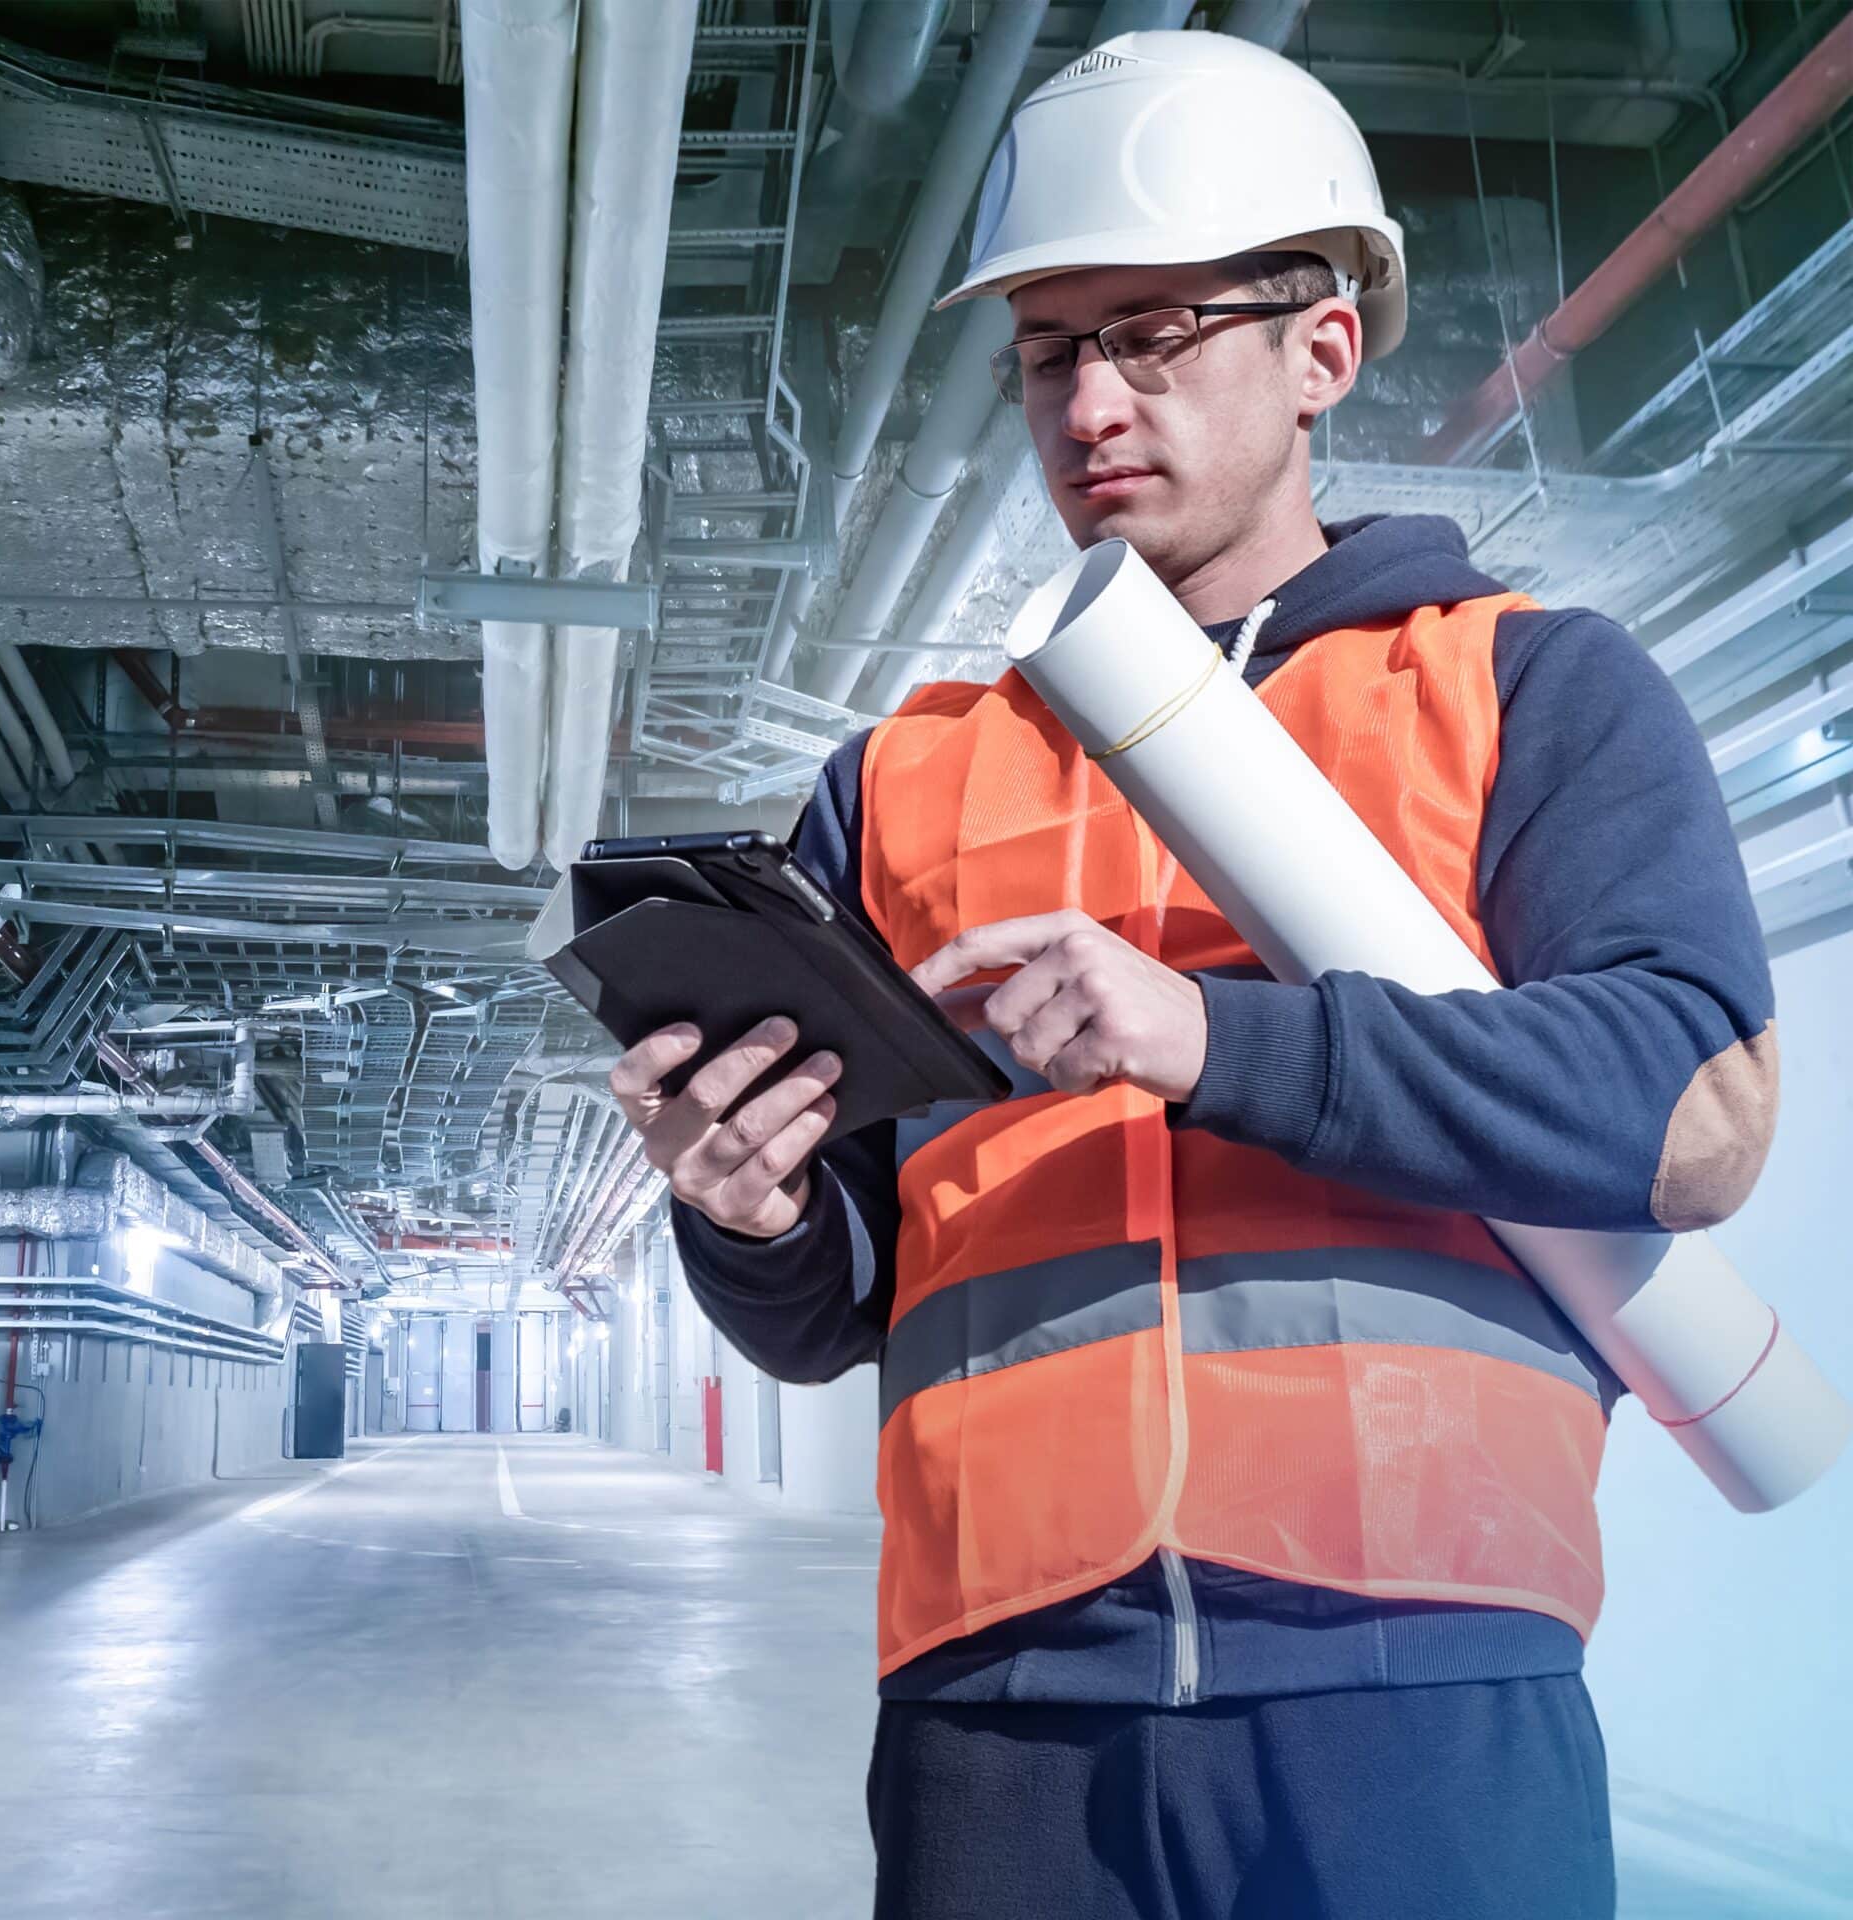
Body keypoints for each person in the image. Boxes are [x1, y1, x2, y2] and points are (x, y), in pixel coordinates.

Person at [607, 31, 1780, 1920]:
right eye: (1053, 348)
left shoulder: (1521, 689)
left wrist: (1214, 1038)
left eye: (1151, 336)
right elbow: (842, 1306)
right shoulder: (896, 776)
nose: (1089, 401)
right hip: (1000, 1711)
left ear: (1321, 345)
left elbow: (1694, 1111)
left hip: (1415, 1686)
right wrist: (743, 1211)